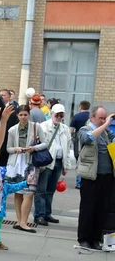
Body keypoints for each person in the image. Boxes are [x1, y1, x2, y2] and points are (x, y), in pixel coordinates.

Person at [77, 106, 115, 250]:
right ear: (92, 117)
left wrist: (107, 128)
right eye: (100, 118)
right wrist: (105, 125)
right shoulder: (84, 129)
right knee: (88, 208)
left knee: (101, 208)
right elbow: (88, 139)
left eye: (105, 118)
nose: (103, 121)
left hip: (107, 176)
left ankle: (96, 239)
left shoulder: (107, 132)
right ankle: (84, 238)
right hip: (91, 176)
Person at [5, 104, 47, 233]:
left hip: (31, 162)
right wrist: (16, 149)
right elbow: (8, 148)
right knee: (18, 193)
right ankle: (19, 221)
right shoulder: (12, 129)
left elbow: (45, 143)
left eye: (25, 114)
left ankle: (24, 222)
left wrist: (34, 148)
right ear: (17, 115)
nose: (23, 117)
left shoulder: (36, 127)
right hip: (16, 162)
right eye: (21, 115)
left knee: (29, 193)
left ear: (29, 115)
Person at [34, 104, 73, 226]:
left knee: (50, 189)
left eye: (61, 115)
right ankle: (39, 215)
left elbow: (67, 147)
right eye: (57, 114)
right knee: (41, 189)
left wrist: (66, 166)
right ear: (52, 114)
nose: (59, 117)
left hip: (58, 161)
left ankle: (47, 213)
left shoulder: (65, 128)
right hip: (46, 162)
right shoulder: (43, 126)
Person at [70, 100, 91, 189]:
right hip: (90, 138)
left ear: (81, 106)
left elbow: (71, 129)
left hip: (78, 139)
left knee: (79, 159)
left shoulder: (76, 116)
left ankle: (79, 182)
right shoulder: (91, 116)